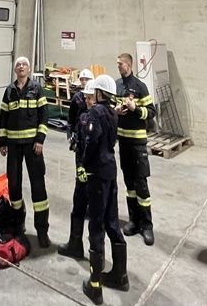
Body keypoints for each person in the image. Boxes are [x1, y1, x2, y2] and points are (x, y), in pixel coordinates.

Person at [80, 74, 128, 304]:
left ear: (99, 93)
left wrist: (83, 164)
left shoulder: (96, 113)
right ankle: (120, 275)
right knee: (112, 221)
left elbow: (91, 142)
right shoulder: (112, 112)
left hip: (97, 173)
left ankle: (95, 287)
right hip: (110, 170)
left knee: (96, 226)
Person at [0, 56, 50, 247]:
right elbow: (3, 117)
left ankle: (42, 231)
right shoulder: (9, 91)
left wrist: (40, 140)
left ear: (28, 69)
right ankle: (17, 225)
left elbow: (44, 116)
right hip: (13, 146)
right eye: (18, 65)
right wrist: (2, 141)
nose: (21, 67)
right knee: (14, 186)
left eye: (24, 64)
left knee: (38, 187)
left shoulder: (37, 89)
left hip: (32, 146)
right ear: (15, 70)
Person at [115, 52, 155, 245]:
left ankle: (147, 226)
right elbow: (111, 107)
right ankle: (134, 221)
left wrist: (135, 109)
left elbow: (152, 112)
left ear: (129, 65)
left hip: (137, 143)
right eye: (117, 64)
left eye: (120, 64)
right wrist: (117, 111)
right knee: (129, 183)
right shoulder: (117, 86)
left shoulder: (140, 87)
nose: (118, 66)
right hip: (123, 141)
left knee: (141, 184)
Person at [58, 80, 96, 259]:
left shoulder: (100, 117)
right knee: (78, 206)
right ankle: (75, 244)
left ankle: (96, 255)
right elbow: (80, 145)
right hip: (85, 170)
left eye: (90, 98)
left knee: (96, 212)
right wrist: (80, 166)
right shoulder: (84, 118)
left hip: (96, 172)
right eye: (86, 98)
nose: (87, 101)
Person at [67, 69, 94, 147]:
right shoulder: (77, 97)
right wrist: (69, 134)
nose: (84, 81)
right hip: (79, 132)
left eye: (87, 79)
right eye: (82, 79)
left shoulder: (96, 96)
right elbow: (71, 116)